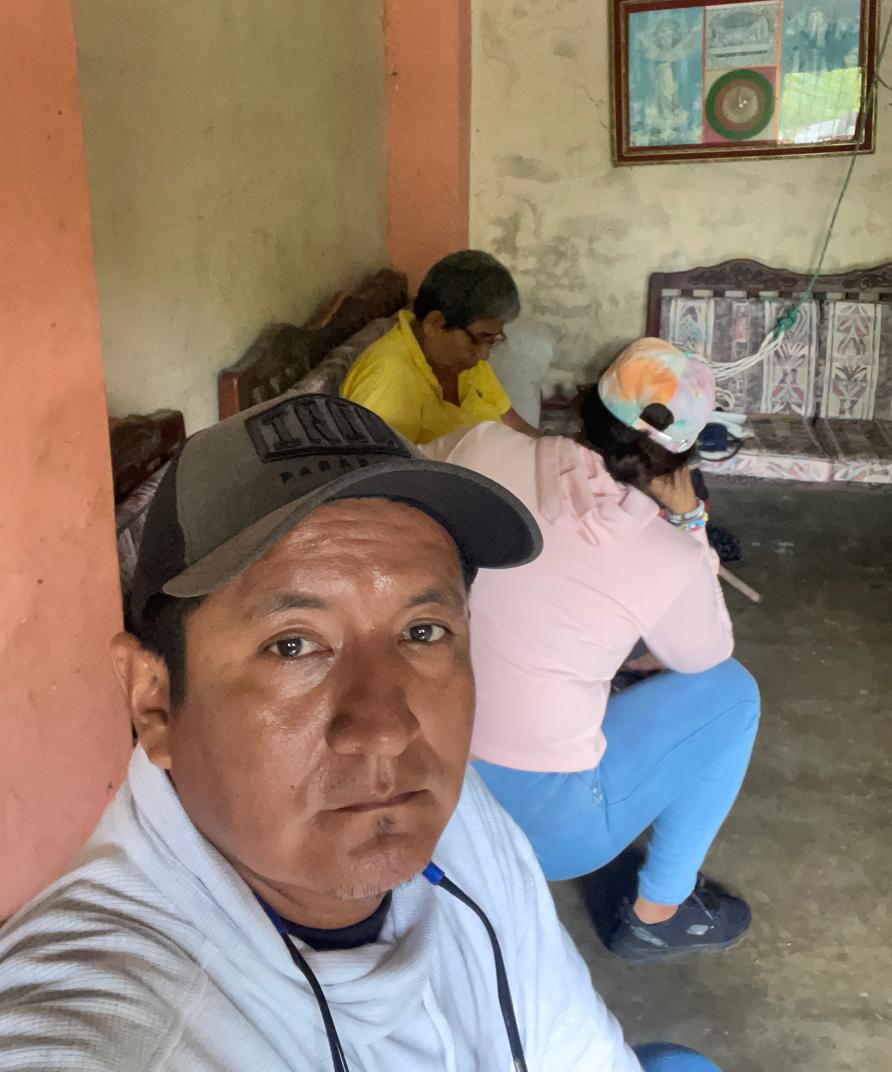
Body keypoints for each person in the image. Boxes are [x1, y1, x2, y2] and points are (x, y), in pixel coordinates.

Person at [0, 393, 721, 1071]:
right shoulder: (117, 1020)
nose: (388, 730)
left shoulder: (459, 813)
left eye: (423, 631)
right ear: (154, 702)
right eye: (292, 645)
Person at [421, 339, 761, 964]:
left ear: (589, 400)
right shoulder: (666, 552)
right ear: (684, 456)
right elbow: (705, 656)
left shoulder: (481, 445)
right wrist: (691, 525)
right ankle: (657, 913)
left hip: (421, 777)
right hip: (541, 828)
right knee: (733, 695)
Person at [341, 249, 538, 443]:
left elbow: (515, 425)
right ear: (435, 323)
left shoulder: (463, 360)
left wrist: (549, 451)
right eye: (479, 338)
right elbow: (385, 464)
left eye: (493, 341)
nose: (485, 355)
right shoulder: (387, 382)